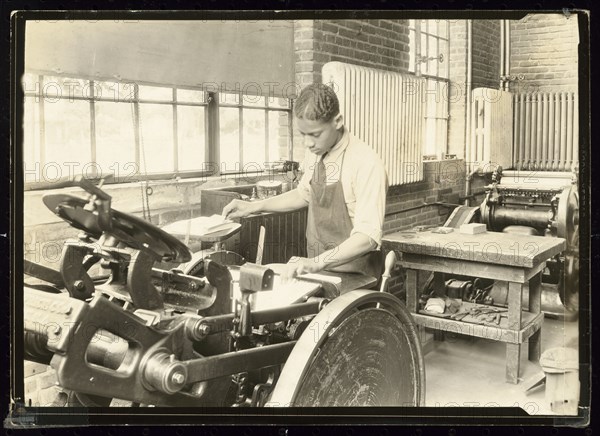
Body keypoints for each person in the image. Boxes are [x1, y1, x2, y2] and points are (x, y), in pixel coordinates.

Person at [223, 83, 388, 280]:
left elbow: (367, 237)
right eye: (303, 134)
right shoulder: (316, 152)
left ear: (338, 121)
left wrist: (316, 263)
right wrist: (254, 207)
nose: (308, 143)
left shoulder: (366, 163)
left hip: (357, 276)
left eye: (315, 134)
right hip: (318, 270)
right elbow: (304, 194)